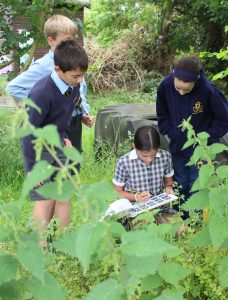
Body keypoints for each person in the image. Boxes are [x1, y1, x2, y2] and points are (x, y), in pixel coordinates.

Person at [21, 40, 88, 243]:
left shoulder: (71, 86)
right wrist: (32, 168)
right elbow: (27, 131)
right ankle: (40, 246)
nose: (80, 80)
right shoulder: (42, 93)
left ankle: (62, 241)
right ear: (58, 69)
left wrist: (64, 135)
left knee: (63, 194)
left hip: (59, 147)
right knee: (44, 199)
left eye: (82, 75)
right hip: (39, 152)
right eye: (76, 76)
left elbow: (62, 115)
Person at [6, 14, 94, 154]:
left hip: (74, 122)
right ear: (51, 41)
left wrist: (84, 112)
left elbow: (80, 89)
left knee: (72, 165)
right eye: (66, 40)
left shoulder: (74, 60)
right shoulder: (43, 66)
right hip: (55, 124)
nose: (71, 44)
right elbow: (13, 88)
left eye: (73, 40)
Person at [156, 56, 228, 219]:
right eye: (178, 89)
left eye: (187, 90)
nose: (181, 93)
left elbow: (224, 121)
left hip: (202, 151)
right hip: (178, 149)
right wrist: (171, 132)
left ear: (196, 79)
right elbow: (162, 115)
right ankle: (177, 220)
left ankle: (194, 222)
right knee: (180, 184)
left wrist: (205, 138)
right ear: (174, 75)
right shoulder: (165, 86)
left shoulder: (209, 91)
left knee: (196, 187)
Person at [113, 126, 174, 202]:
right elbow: (117, 192)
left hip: (159, 204)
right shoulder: (123, 162)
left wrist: (169, 187)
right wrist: (136, 197)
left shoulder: (165, 156)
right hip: (135, 206)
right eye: (144, 155)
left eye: (153, 155)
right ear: (134, 146)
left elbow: (168, 181)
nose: (149, 159)